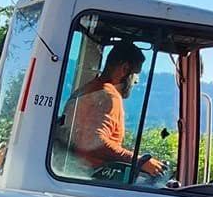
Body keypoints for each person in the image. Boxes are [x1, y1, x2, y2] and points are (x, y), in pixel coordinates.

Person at [66, 40, 165, 180]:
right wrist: (138, 161)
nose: (136, 81)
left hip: (75, 169)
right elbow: (94, 142)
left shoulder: (87, 89)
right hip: (91, 176)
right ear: (125, 69)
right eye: (136, 74)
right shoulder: (108, 96)